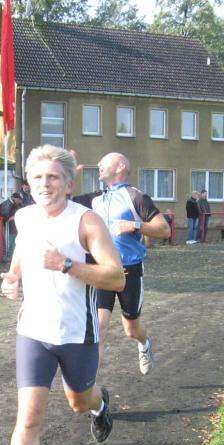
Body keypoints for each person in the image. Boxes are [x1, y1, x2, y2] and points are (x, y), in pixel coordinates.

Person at [0, 145, 125, 445]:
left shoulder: (86, 222)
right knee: (28, 418)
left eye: (52, 177)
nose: (44, 184)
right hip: (33, 331)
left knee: (78, 402)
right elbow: (23, 251)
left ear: (69, 184)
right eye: (37, 177)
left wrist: (67, 264)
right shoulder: (24, 217)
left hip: (76, 333)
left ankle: (100, 404)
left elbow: (116, 277)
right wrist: (13, 277)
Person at [75, 152, 170, 376]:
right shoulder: (95, 199)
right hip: (103, 271)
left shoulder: (135, 197)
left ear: (120, 166)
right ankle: (90, 387)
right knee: (99, 328)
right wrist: (68, 175)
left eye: (104, 161)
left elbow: (164, 230)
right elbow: (62, 201)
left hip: (130, 271)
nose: (99, 164)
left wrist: (135, 225)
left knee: (131, 329)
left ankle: (144, 344)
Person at [0, 192, 23, 260]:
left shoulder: (14, 204)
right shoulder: (8, 204)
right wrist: (13, 216)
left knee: (1, 240)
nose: (20, 201)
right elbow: (6, 214)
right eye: (19, 199)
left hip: (0, 223)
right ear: (15, 198)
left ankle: (2, 255)